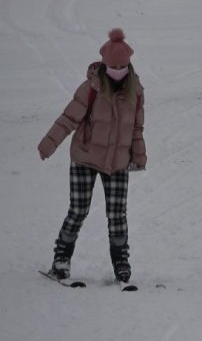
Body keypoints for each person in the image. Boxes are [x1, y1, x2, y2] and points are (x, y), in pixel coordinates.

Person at [38, 28, 146, 283]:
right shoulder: (92, 87)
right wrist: (48, 144)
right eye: (113, 65)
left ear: (128, 65)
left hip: (117, 163)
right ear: (105, 65)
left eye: (122, 65)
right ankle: (61, 261)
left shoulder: (136, 91)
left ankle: (121, 264)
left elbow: (136, 128)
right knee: (78, 210)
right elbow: (68, 118)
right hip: (85, 158)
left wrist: (138, 156)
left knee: (117, 214)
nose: (117, 69)